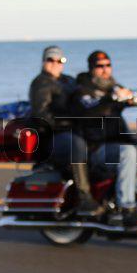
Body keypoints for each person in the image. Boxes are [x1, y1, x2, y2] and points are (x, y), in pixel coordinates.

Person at [72, 50, 137, 226]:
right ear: (91, 68)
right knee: (128, 153)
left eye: (108, 65)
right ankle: (126, 208)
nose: (105, 69)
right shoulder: (83, 90)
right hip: (97, 147)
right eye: (100, 66)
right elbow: (91, 110)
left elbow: (129, 97)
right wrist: (112, 99)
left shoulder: (113, 86)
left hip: (117, 141)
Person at [28, 46, 99, 213]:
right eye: (50, 59)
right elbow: (41, 115)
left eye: (60, 60)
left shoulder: (68, 80)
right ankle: (84, 197)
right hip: (52, 136)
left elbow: (84, 93)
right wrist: (67, 123)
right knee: (77, 145)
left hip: (73, 130)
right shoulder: (40, 83)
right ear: (43, 61)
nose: (55, 63)